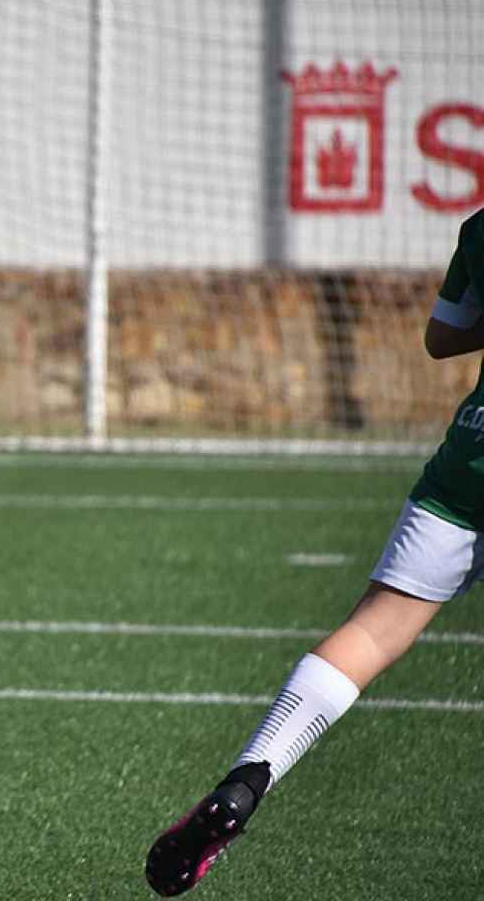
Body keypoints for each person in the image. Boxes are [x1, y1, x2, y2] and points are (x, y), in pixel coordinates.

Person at [144, 205, 484, 896]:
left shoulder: (480, 229)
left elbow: (441, 337)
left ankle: (249, 779)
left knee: (372, 632)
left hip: (469, 458)